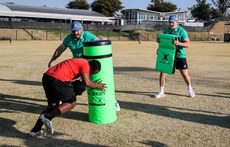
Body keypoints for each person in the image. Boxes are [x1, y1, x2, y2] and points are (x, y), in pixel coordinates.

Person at [48, 21, 120, 111]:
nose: (75, 33)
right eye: (73, 31)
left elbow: (99, 42)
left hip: (89, 67)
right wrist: (52, 60)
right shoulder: (68, 38)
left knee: (99, 83)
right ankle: (62, 100)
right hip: (76, 67)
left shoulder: (88, 36)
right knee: (68, 84)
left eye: (77, 30)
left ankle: (113, 102)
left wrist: (104, 41)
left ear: (81, 29)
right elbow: (60, 49)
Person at [29, 58, 106, 137]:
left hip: (47, 77)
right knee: (71, 102)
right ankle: (47, 117)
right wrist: (98, 86)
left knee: (52, 105)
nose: (91, 75)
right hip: (58, 79)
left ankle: (36, 130)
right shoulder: (86, 64)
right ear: (91, 67)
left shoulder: (80, 62)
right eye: (92, 72)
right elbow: (87, 82)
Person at [155, 15, 195, 98]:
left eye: (172, 22)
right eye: (169, 22)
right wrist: (159, 44)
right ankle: (161, 92)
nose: (171, 23)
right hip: (169, 55)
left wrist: (178, 43)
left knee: (184, 74)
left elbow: (188, 44)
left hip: (180, 55)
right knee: (162, 72)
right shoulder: (166, 30)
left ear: (177, 22)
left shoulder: (182, 31)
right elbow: (164, 43)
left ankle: (190, 89)